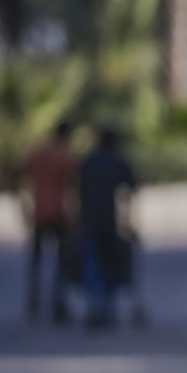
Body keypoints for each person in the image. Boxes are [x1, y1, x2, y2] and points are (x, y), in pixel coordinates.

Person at [77, 127, 137, 329]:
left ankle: (96, 307)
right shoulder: (118, 162)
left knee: (94, 264)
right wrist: (129, 220)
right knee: (109, 263)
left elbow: (79, 192)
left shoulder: (89, 162)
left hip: (91, 219)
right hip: (109, 220)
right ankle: (107, 308)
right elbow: (129, 192)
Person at [19, 121, 78, 324]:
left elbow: (18, 174)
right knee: (61, 261)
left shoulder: (38, 153)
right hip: (58, 212)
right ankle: (58, 303)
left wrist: (24, 203)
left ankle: (33, 300)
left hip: (39, 212)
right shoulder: (65, 155)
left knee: (36, 260)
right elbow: (72, 186)